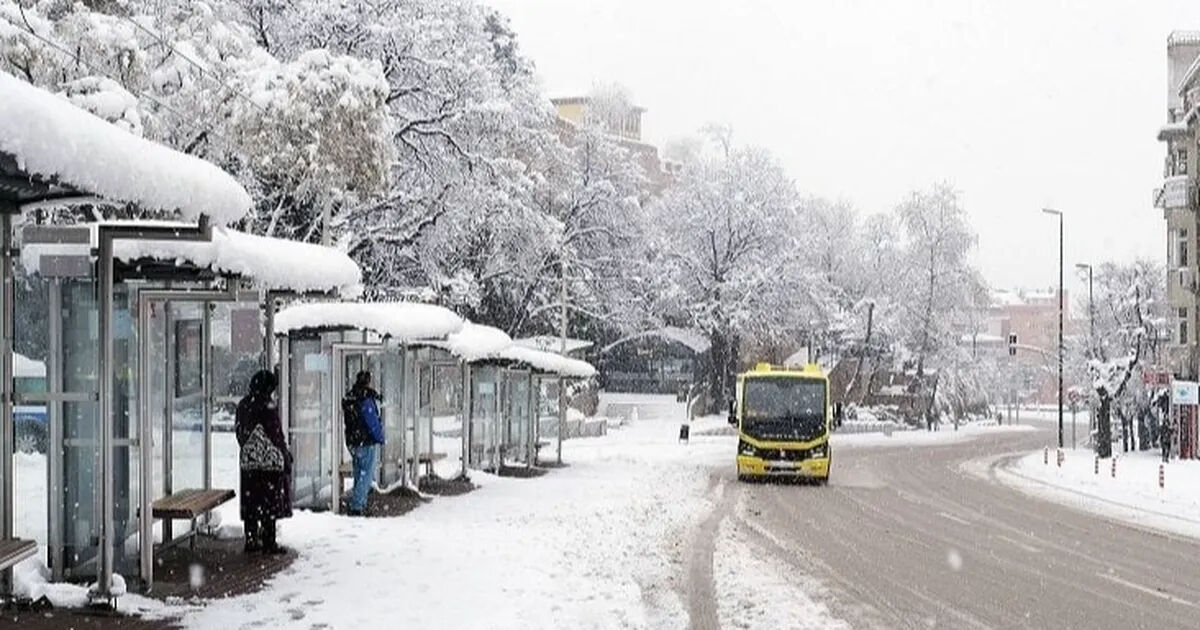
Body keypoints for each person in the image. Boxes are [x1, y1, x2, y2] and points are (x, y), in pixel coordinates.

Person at [235, 369, 292, 554]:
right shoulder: (268, 406)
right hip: (269, 465)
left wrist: (249, 448)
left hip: (249, 463)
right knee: (269, 502)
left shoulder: (243, 405)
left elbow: (239, 431)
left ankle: (251, 539)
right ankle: (269, 541)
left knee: (251, 501)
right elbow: (276, 435)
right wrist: (284, 454)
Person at [342, 370, 385, 516]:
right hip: (365, 442)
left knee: (358, 473)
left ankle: (358, 501)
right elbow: (372, 422)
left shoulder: (351, 397)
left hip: (352, 442)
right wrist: (380, 437)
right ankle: (357, 505)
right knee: (365, 475)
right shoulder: (366, 399)